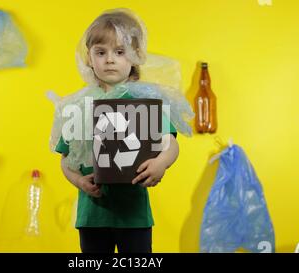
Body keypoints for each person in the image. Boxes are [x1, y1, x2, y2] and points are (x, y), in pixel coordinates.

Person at [49, 8, 194, 253]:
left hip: (133, 215)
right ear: (89, 58)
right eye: (101, 52)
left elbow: (170, 143)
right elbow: (66, 158)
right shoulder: (79, 106)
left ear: (135, 56)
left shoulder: (144, 101)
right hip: (92, 216)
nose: (109, 59)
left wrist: (161, 164)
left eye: (119, 52)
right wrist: (78, 181)